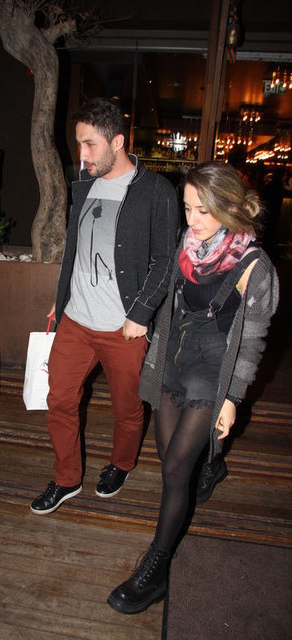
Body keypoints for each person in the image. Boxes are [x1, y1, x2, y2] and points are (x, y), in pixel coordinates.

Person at [107, 161, 279, 615]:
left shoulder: (253, 266)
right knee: (168, 457)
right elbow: (166, 292)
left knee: (174, 470)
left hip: (212, 370)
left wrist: (233, 398)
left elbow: (254, 340)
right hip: (174, 359)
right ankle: (211, 465)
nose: (193, 219)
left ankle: (156, 567)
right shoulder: (187, 245)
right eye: (187, 208)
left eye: (203, 210)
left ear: (228, 207)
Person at [30, 97, 179, 515]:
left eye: (90, 144)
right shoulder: (85, 182)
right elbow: (77, 249)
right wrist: (61, 299)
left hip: (123, 327)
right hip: (76, 320)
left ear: (117, 141)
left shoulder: (156, 191)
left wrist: (141, 313)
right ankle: (67, 478)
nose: (82, 155)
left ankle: (122, 463)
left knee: (127, 408)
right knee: (59, 399)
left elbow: (165, 261)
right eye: (79, 143)